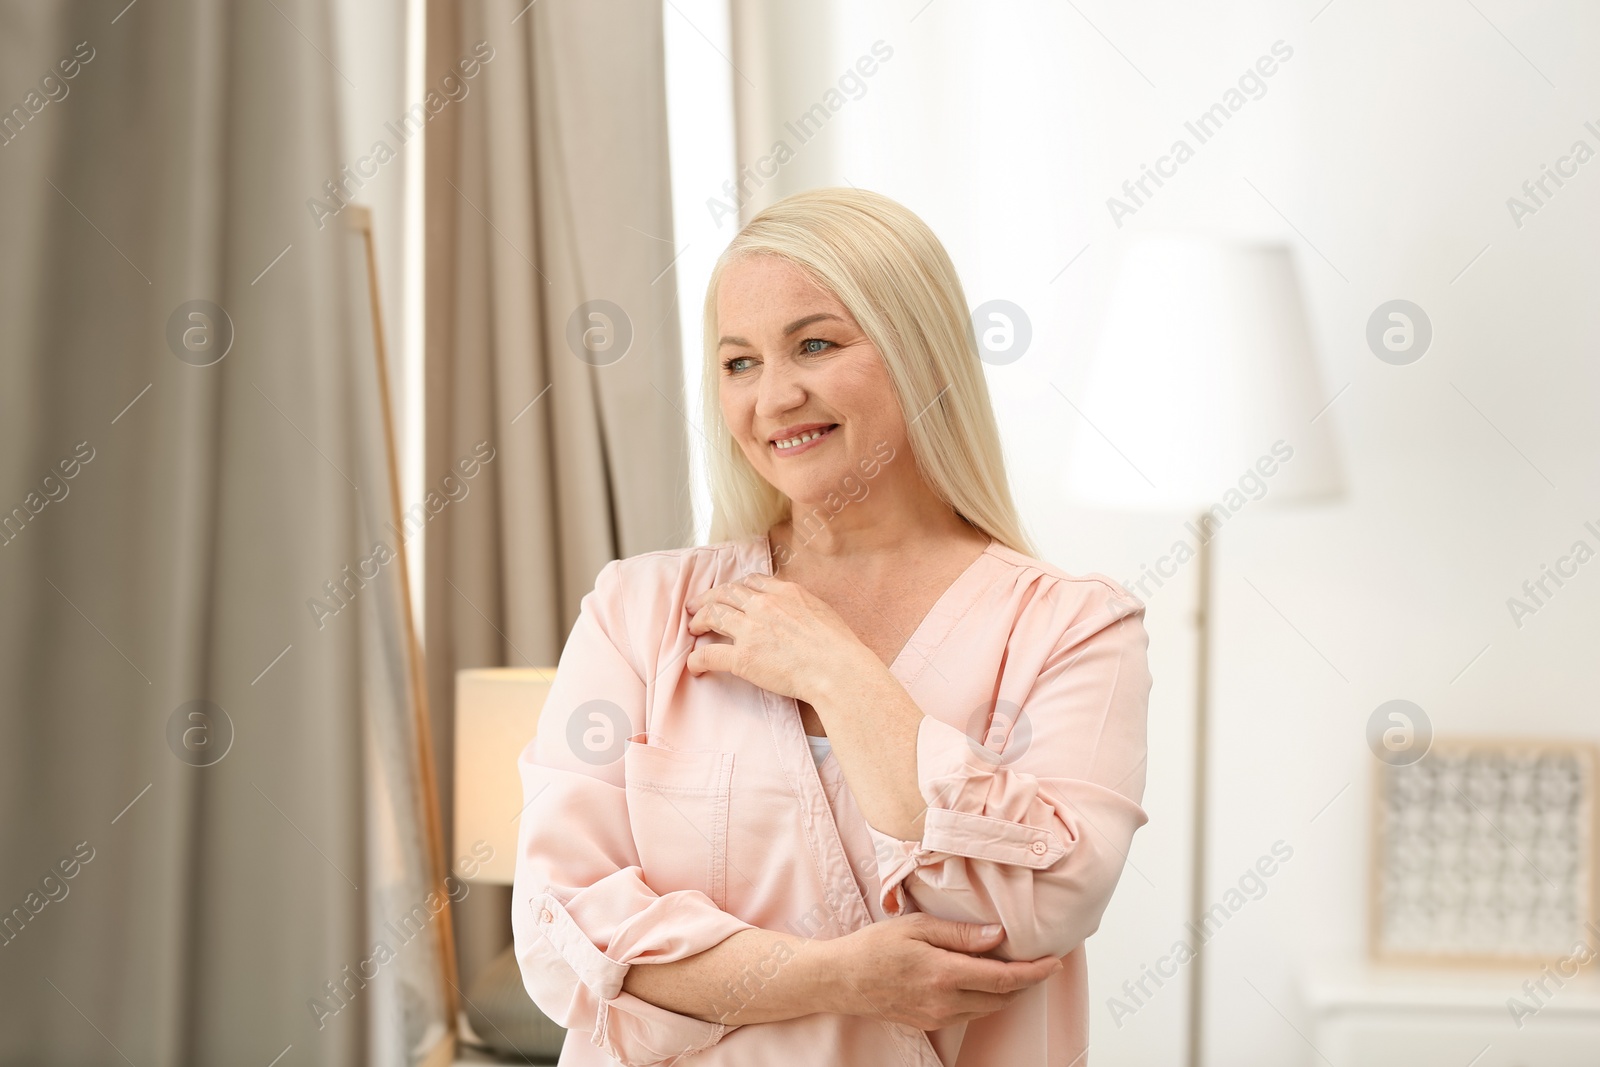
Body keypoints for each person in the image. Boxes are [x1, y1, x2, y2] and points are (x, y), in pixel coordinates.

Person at [511, 187, 1151, 1066]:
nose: (773, 397)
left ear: (923, 357)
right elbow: (561, 926)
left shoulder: (1072, 626)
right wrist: (834, 979)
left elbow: (1040, 900)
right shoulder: (638, 612)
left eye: (815, 343)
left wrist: (839, 673)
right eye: (739, 363)